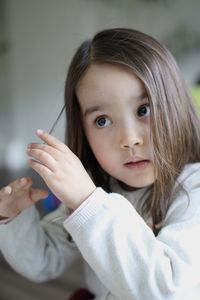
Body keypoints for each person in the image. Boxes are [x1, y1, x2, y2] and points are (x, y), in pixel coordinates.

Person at [1, 28, 200, 300]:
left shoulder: (194, 190)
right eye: (102, 121)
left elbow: (168, 291)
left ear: (174, 106)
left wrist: (90, 204)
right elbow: (43, 262)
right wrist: (14, 218)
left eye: (144, 110)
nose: (129, 139)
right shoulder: (99, 190)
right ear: (84, 133)